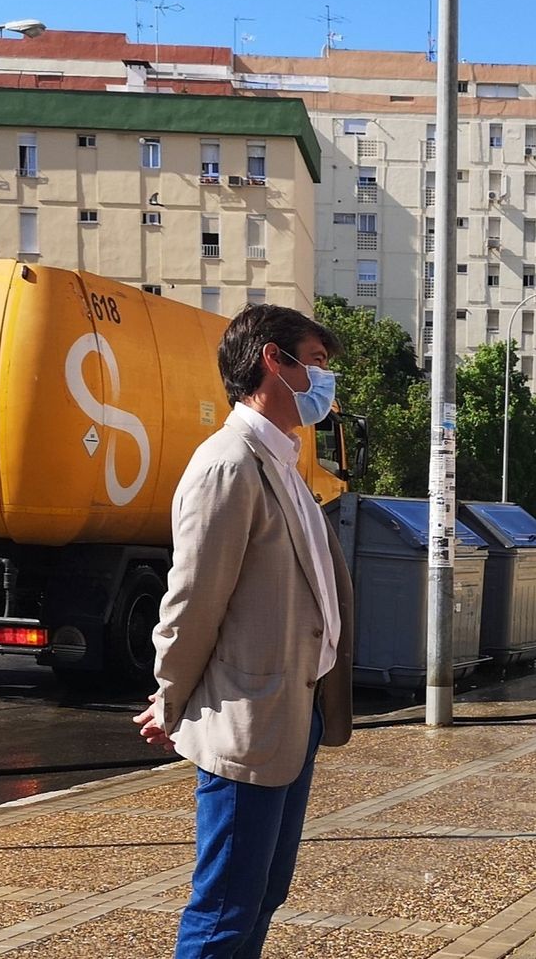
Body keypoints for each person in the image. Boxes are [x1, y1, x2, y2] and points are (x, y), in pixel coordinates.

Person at [133, 303, 355, 959]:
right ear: (272, 361)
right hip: (246, 719)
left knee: (262, 893)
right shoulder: (228, 464)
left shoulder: (283, 463)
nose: (323, 382)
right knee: (226, 904)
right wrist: (169, 699)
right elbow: (193, 602)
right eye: (315, 363)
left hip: (292, 712)